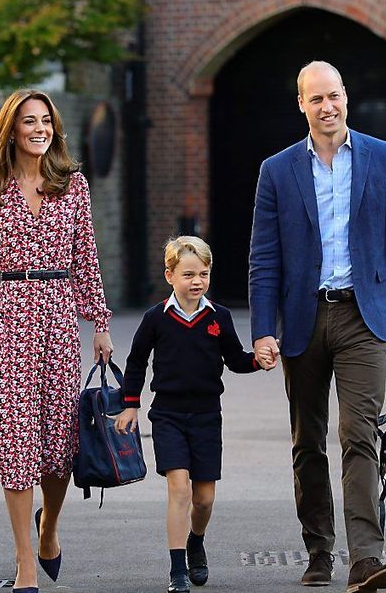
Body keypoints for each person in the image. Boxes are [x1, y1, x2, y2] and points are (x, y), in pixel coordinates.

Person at [248, 61, 386, 592]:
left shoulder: (384, 158)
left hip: (362, 316)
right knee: (308, 441)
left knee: (359, 436)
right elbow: (264, 259)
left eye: (334, 96)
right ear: (300, 105)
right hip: (302, 319)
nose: (327, 107)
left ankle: (366, 558)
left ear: (345, 97)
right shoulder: (277, 171)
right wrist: (263, 329)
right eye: (316, 99)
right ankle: (319, 549)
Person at [0, 89, 114, 593]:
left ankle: (50, 529)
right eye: (29, 122)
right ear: (11, 131)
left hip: (61, 316)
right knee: (17, 442)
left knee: (61, 444)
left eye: (46, 121)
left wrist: (99, 323)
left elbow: (86, 256)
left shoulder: (73, 185)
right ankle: (23, 562)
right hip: (14, 317)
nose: (39, 129)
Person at [115, 236, 266, 593]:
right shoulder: (156, 319)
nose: (196, 281)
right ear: (169, 275)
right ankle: (177, 569)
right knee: (178, 488)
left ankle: (196, 540)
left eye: (203, 273)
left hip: (206, 416)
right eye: (187, 274)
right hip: (167, 414)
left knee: (204, 499)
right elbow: (136, 362)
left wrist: (257, 361)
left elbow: (235, 359)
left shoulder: (219, 318)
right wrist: (131, 403)